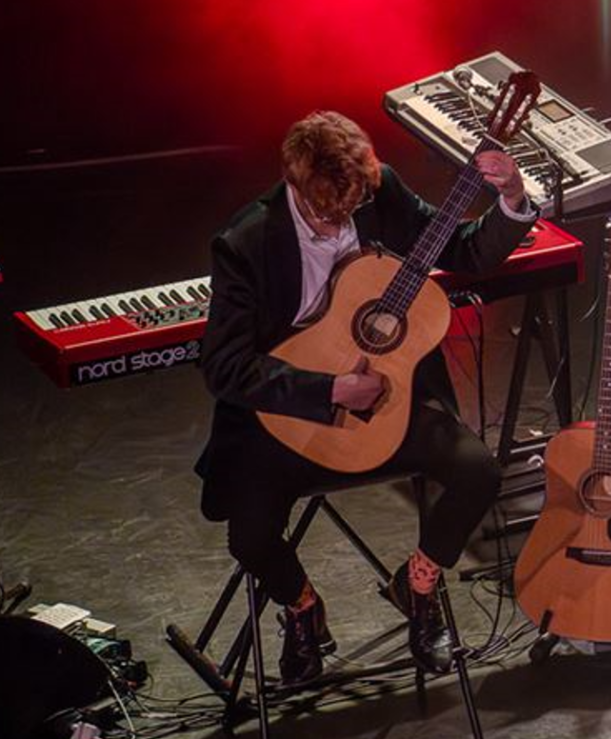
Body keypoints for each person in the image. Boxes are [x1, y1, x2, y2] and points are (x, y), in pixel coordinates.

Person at [195, 110, 538, 684]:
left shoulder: (378, 190)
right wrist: (329, 389)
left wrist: (510, 197)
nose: (339, 227)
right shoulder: (245, 242)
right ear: (295, 185)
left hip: (387, 399)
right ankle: (303, 610)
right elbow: (225, 367)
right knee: (250, 534)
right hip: (290, 415)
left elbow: (466, 252)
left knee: (479, 472)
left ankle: (420, 588)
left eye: (350, 213)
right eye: (326, 215)